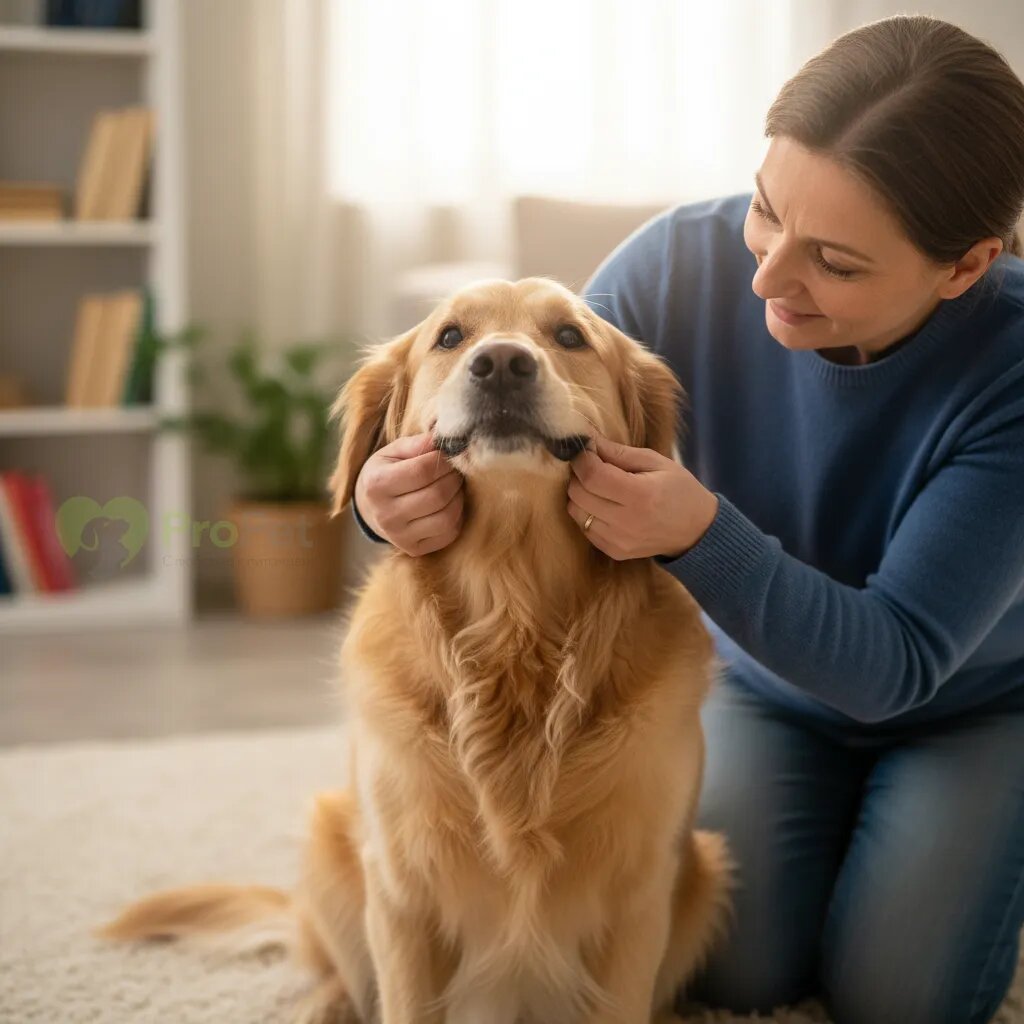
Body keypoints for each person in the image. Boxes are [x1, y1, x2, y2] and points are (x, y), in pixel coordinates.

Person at [349, 15, 1024, 1024]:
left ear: (964, 265)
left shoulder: (1011, 369)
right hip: (763, 686)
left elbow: (893, 661)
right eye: (765, 211)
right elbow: (516, 408)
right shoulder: (673, 264)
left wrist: (701, 532)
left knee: (900, 999)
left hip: (964, 707)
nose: (764, 277)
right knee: (724, 964)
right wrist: (380, 499)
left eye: (833, 262)